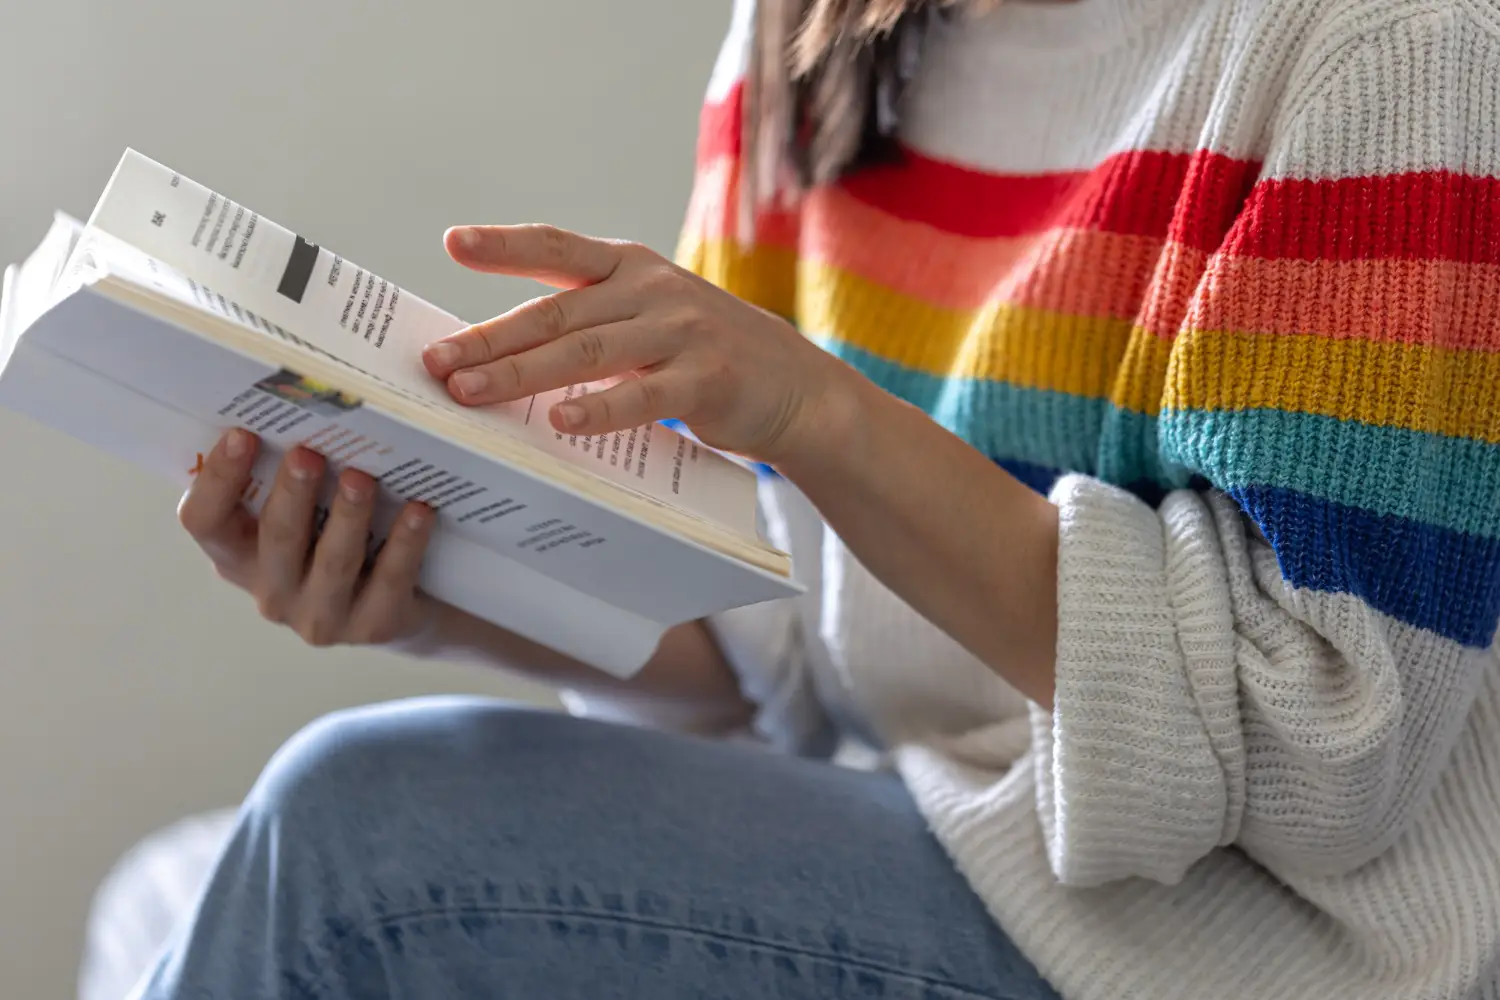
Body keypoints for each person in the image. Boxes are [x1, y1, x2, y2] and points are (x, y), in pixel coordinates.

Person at [133, 0, 1500, 997]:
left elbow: (1327, 752)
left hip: (1240, 949)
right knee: (172, 889)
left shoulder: (1390, 47)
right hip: (934, 817)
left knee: (350, 836)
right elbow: (779, 644)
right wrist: (431, 587)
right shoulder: (816, 36)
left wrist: (824, 418)